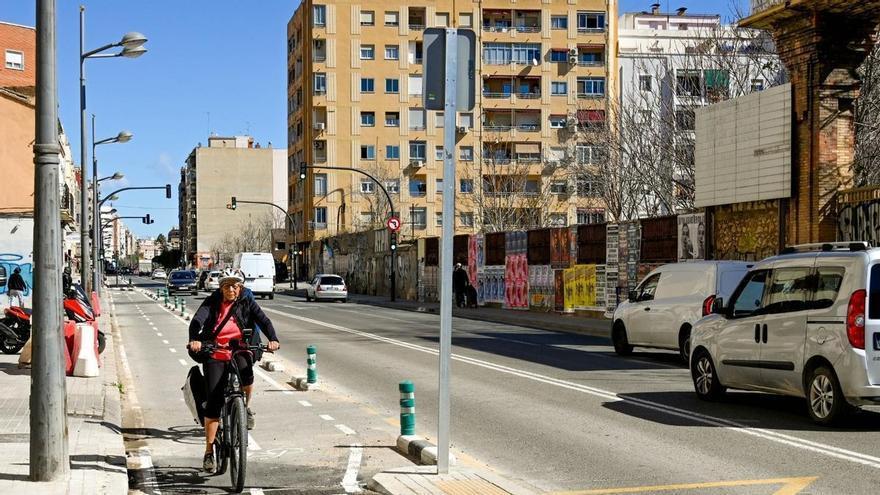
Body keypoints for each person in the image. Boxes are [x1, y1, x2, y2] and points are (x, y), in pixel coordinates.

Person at [188, 269, 280, 472]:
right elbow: (197, 320)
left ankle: (244, 407)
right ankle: (209, 451)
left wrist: (273, 338)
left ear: (240, 289)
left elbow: (263, 320)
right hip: (216, 350)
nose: (231, 289)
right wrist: (195, 339)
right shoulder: (212, 302)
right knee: (213, 401)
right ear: (221, 288)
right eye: (227, 285)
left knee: (247, 372)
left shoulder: (246, 302)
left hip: (239, 348)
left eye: (235, 286)